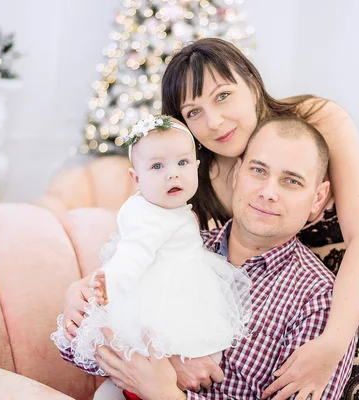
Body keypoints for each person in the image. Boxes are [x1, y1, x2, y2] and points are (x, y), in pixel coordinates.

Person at [61, 39, 359, 399]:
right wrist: (99, 288)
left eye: (223, 97)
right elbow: (166, 252)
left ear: (253, 83)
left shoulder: (318, 119)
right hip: (274, 271)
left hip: (355, 267)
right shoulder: (201, 170)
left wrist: (333, 341)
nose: (214, 122)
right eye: (194, 111)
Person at [66, 116, 358, 399]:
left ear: (318, 198)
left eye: (291, 181)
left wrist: (165, 394)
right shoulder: (180, 245)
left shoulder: (321, 301)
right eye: (258, 171)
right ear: (237, 172)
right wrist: (79, 301)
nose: (268, 192)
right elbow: (74, 347)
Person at [51, 115, 252, 397]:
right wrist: (113, 282)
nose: (173, 174)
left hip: (182, 289)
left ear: (196, 167)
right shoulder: (148, 216)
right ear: (136, 178)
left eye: (182, 163)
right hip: (155, 300)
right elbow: (133, 253)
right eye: (157, 166)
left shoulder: (173, 209)